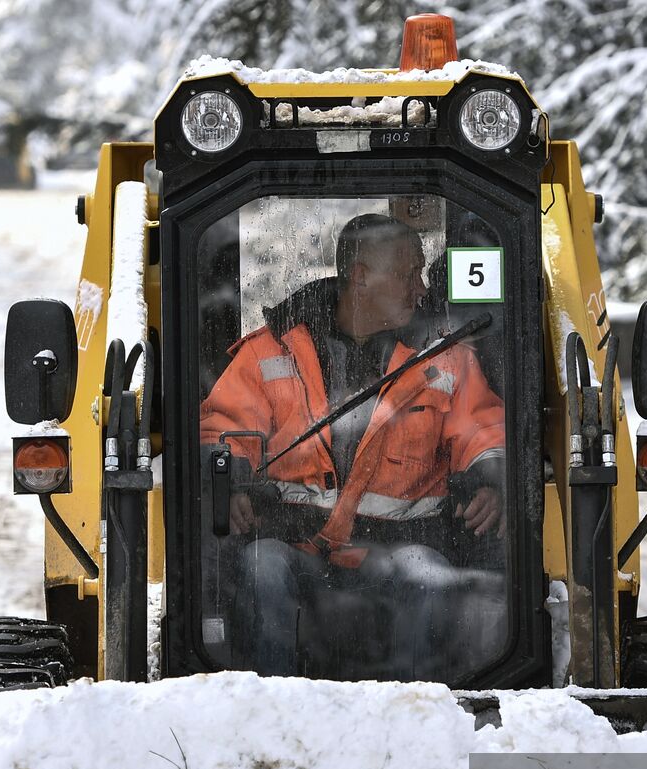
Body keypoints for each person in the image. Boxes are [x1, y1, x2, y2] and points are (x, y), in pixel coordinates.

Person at [199, 213, 507, 676]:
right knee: (260, 569)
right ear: (360, 277)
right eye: (409, 274)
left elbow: (483, 431)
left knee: (429, 580)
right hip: (293, 543)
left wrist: (489, 478)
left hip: (402, 547)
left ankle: (423, 716)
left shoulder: (446, 358)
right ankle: (269, 717)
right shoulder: (269, 351)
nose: (422, 288)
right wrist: (234, 481)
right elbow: (220, 428)